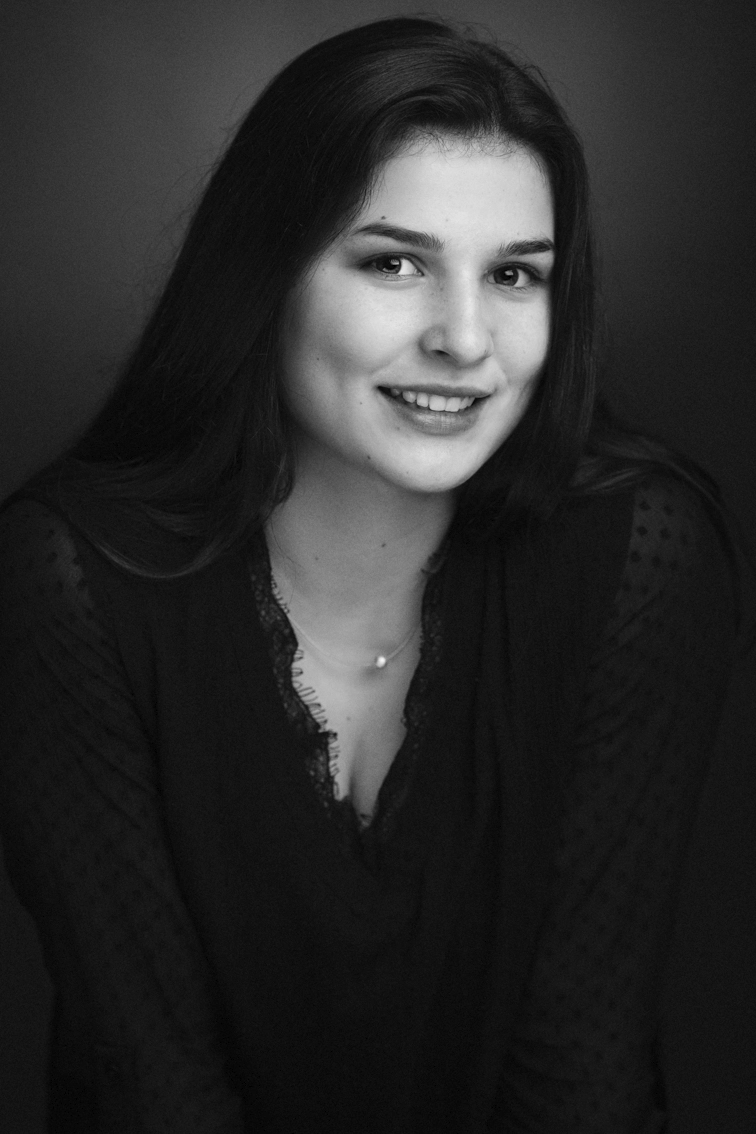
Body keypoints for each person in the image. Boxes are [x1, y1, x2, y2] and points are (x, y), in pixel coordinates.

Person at [0, 16, 740, 1134]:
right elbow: (152, 1082)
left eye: (515, 275)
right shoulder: (67, 578)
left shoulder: (642, 556)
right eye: (393, 262)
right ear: (265, 274)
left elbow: (583, 1063)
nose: (464, 338)